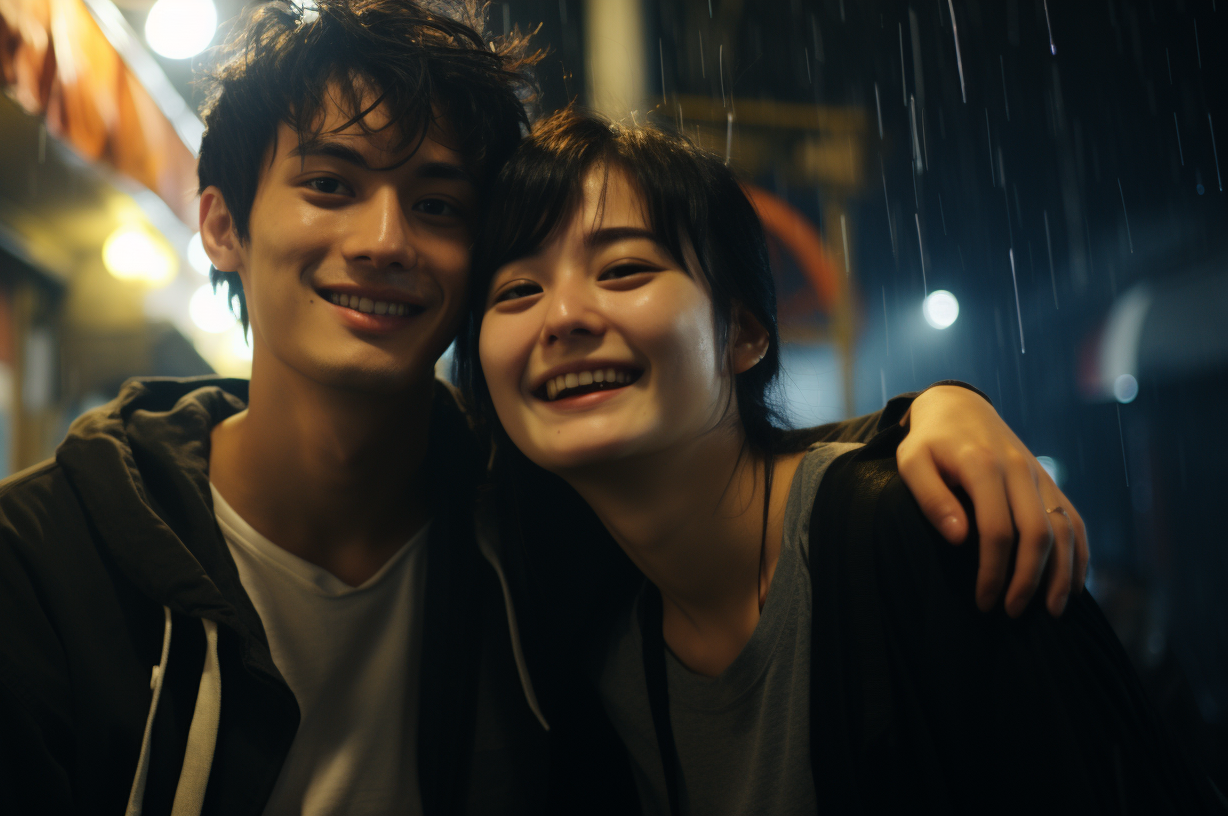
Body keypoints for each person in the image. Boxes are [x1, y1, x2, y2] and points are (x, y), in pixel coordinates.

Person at [0, 3, 1089, 814]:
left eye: (437, 203)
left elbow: (704, 464)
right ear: (221, 222)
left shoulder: (533, 519)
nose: (382, 242)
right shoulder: (43, 562)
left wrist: (923, 416)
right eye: (328, 186)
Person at [459, 108, 1223, 814]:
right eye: (517, 289)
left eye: (624, 269)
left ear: (744, 335)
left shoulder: (920, 529)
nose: (561, 318)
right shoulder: (605, 657)